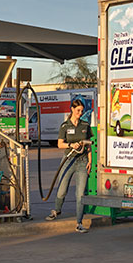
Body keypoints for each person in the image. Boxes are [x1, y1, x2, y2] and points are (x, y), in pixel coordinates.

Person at [46, 98, 92, 233]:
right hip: (68, 160)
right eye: (78, 110)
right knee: (62, 189)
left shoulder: (85, 125)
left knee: (80, 194)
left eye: (82, 111)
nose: (80, 113)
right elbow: (60, 144)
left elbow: (89, 144)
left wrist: (90, 161)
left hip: (82, 161)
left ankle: (79, 222)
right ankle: (57, 210)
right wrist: (71, 145)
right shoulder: (65, 126)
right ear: (72, 109)